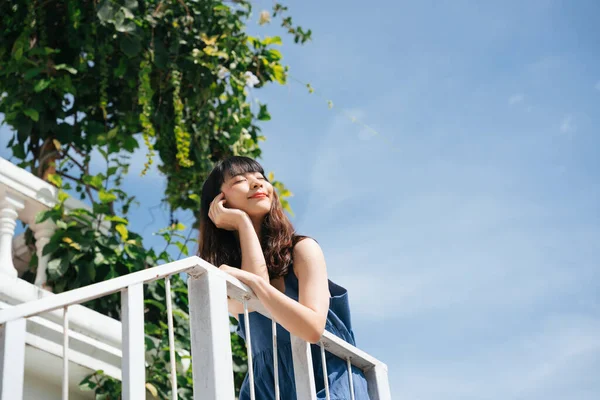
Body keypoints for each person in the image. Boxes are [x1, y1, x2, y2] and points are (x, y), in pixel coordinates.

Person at [197, 156, 371, 400]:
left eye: (260, 178)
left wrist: (258, 283)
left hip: (329, 380)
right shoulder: (220, 273)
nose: (257, 184)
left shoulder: (303, 250)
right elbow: (249, 294)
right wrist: (243, 223)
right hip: (269, 387)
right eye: (240, 180)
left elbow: (311, 328)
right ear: (218, 202)